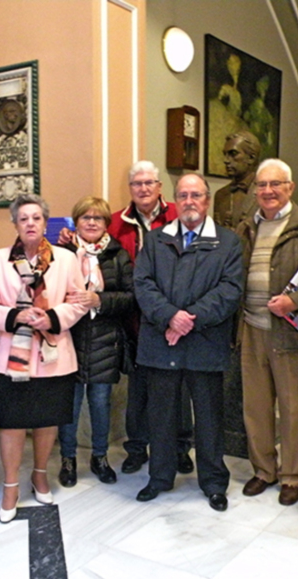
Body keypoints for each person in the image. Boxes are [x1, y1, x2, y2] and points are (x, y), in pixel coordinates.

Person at [133, 173, 243, 512]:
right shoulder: (155, 240)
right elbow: (143, 284)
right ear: (175, 201)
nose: (189, 202)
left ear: (207, 200)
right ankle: (160, 477)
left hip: (205, 343)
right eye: (183, 195)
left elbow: (229, 291)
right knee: (161, 415)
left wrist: (186, 320)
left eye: (196, 195)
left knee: (209, 417)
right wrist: (170, 317)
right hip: (160, 342)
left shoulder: (228, 242)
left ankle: (213, 482)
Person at [0, 194, 88, 523]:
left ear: (45, 223)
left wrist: (51, 317)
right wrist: (16, 316)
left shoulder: (66, 259)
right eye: (23, 218)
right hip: (11, 354)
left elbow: (79, 300)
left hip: (53, 353)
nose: (30, 223)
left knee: (46, 419)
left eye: (36, 218)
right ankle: (10, 486)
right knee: (12, 423)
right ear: (14, 224)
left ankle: (39, 474)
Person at [237, 159, 298, 506]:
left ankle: (293, 475)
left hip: (290, 331)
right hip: (251, 327)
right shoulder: (245, 227)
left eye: (275, 184)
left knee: (293, 406)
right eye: (262, 185)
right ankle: (263, 470)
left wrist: (295, 301)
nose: (268, 191)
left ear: (290, 187)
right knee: (255, 407)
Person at [107, 161, 194, 476]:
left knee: (179, 388)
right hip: (135, 320)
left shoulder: (178, 215)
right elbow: (95, 251)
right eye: (136, 184)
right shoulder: (116, 223)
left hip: (174, 318)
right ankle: (136, 448)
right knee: (138, 390)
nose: (143, 189)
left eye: (149, 183)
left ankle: (181, 447)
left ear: (160, 187)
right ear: (130, 189)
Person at [57, 196, 135, 487]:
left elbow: (131, 297)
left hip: (106, 339)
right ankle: (68, 459)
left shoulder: (118, 255)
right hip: (70, 339)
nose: (91, 222)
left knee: (101, 404)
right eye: (85, 217)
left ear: (106, 224)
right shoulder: (61, 252)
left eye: (98, 218)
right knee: (71, 405)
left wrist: (98, 299)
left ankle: (100, 457)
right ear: (76, 222)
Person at [213, 131, 262, 230]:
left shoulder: (266, 193)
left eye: (233, 154)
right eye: (225, 154)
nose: (226, 160)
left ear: (251, 158)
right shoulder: (220, 195)